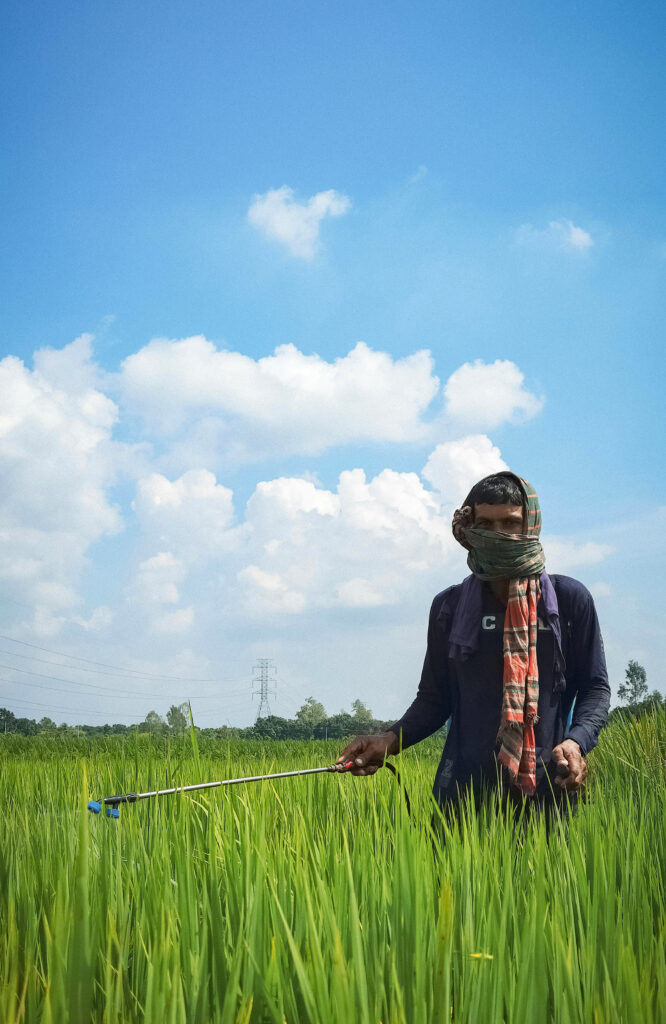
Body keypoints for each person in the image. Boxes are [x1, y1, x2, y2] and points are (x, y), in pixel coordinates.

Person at [336, 472, 610, 822]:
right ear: (469, 531)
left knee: (544, 876)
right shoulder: (449, 607)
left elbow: (595, 688)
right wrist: (387, 741)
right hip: (462, 793)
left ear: (531, 526)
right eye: (485, 524)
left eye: (510, 524)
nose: (498, 535)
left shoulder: (569, 602)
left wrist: (576, 741)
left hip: (546, 790)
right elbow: (434, 700)